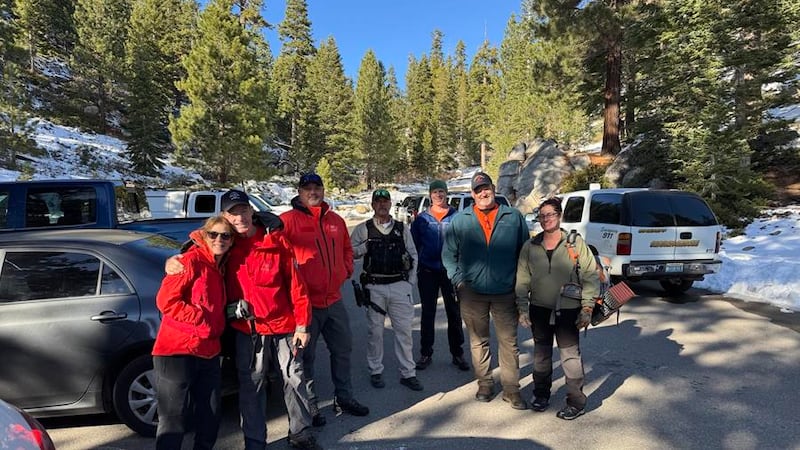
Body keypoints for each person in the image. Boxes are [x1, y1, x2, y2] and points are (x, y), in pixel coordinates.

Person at [166, 189, 320, 450]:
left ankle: (300, 433)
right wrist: (172, 259)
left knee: (294, 378)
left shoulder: (275, 240)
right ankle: (255, 441)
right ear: (225, 216)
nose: (240, 217)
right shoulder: (225, 244)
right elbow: (197, 248)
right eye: (233, 213)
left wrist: (303, 325)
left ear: (252, 211)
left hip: (283, 326)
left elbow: (297, 286)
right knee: (252, 387)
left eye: (244, 210)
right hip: (247, 331)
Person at [280, 173, 369, 427]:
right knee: (305, 358)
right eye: (307, 188)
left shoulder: (336, 221)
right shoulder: (287, 221)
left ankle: (344, 397)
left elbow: (346, 249)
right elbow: (272, 253)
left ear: (323, 189)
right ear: (299, 192)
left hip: (334, 299)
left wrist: (346, 269)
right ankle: (311, 406)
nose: (313, 192)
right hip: (305, 304)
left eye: (317, 187)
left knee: (342, 350)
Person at [442, 172, 529, 410]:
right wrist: (459, 281)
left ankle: (511, 390)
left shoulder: (513, 216)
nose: (483, 193)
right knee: (479, 341)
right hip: (472, 292)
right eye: (478, 189)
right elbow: (449, 255)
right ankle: (485, 383)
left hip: (505, 291)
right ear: (472, 194)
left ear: (493, 188)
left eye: (486, 187)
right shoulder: (461, 220)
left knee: (508, 342)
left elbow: (525, 253)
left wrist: (522, 283)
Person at [152, 216, 234, 450]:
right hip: (176, 352)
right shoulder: (189, 261)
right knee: (173, 420)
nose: (219, 239)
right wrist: (201, 320)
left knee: (210, 417)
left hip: (208, 352)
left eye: (226, 235)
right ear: (204, 235)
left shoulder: (221, 265)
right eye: (214, 234)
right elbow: (165, 301)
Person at [515, 197, 600, 420]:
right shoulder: (530, 246)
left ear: (559, 216)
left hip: (569, 309)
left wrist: (587, 307)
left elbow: (590, 274)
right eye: (542, 216)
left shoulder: (574, 243)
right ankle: (541, 394)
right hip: (539, 308)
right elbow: (522, 278)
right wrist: (522, 308)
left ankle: (576, 401)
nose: (546, 219)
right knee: (541, 355)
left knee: (570, 357)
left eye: (550, 214)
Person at [350, 188, 423, 392]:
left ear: (391, 204)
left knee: (404, 332)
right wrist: (363, 248)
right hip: (374, 287)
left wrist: (410, 282)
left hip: (400, 285)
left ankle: (408, 373)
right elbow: (350, 253)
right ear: (373, 205)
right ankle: (375, 370)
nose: (382, 205)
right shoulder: (363, 229)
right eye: (378, 201)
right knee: (375, 332)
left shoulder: (401, 228)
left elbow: (413, 255)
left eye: (386, 201)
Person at [410, 180, 469, 372]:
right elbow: (414, 246)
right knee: (428, 313)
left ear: (446, 193)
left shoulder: (457, 217)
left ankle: (457, 353)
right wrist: (416, 267)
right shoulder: (422, 219)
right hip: (427, 271)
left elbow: (463, 244)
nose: (438, 195)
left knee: (454, 312)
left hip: (450, 272)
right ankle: (426, 352)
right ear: (430, 195)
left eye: (441, 191)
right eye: (434, 192)